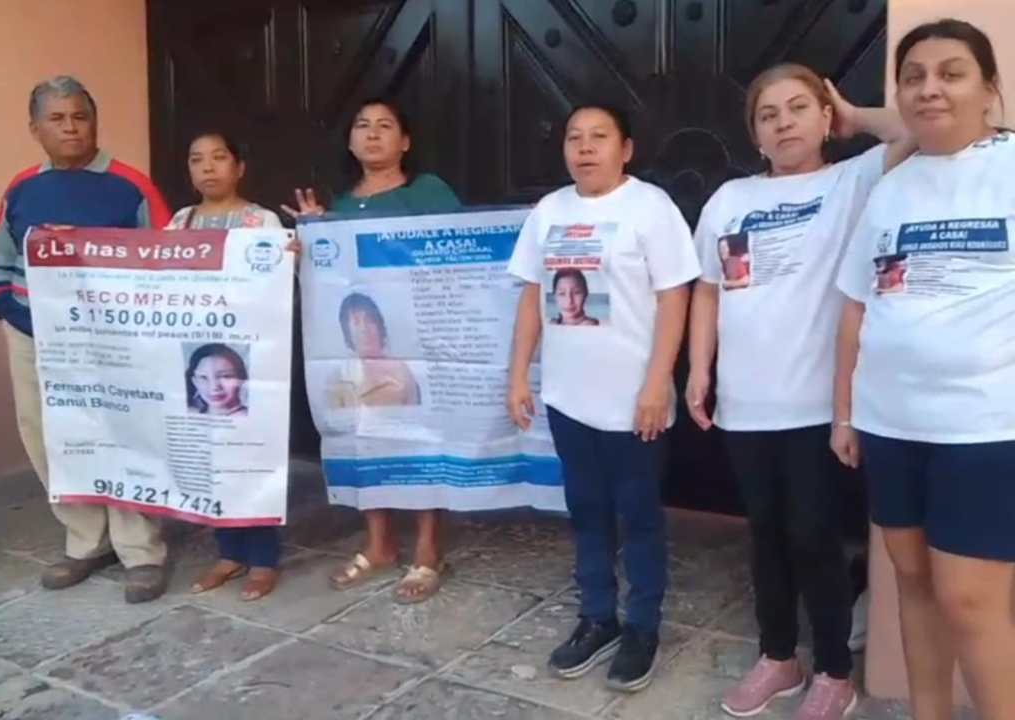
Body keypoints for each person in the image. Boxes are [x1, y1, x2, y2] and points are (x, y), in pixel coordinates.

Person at [687, 62, 914, 720]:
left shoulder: (853, 180)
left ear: (823, 120)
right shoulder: (729, 199)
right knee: (766, 534)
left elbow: (921, 128)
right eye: (768, 115)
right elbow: (708, 288)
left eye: (798, 108)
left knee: (814, 535)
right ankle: (778, 657)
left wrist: (855, 113)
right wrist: (699, 369)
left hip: (819, 403)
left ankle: (836, 671)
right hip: (746, 403)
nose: (784, 122)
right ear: (754, 136)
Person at [834, 19, 1015, 720]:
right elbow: (855, 307)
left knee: (971, 601)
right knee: (911, 583)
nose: (930, 89)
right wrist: (846, 412)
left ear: (990, 90)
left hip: (986, 428)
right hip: (891, 423)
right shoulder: (892, 188)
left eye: (951, 72)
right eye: (913, 77)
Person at [507, 103, 699, 692]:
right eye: (574, 138)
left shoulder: (650, 207)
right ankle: (598, 618)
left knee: (639, 518)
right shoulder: (549, 211)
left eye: (599, 138)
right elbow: (532, 296)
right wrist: (519, 375)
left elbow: (675, 296)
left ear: (626, 148)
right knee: (587, 514)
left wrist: (655, 382)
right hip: (569, 400)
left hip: (633, 402)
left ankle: (642, 625)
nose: (585, 149)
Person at [0, 76, 171, 603]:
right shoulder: (21, 188)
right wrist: (16, 312)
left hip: (112, 341)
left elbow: (166, 262)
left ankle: (141, 549)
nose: (70, 128)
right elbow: (0, 263)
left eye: (80, 117)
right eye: (57, 119)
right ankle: (85, 540)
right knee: (48, 435)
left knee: (123, 434)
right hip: (32, 336)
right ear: (35, 129)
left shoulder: (132, 187)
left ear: (95, 122)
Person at [284, 98, 461, 603]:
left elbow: (461, 253)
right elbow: (329, 288)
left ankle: (429, 550)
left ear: (405, 141)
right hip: (358, 350)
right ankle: (380, 544)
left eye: (386, 125)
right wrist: (312, 244)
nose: (373, 134)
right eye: (362, 125)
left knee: (424, 439)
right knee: (366, 438)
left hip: (418, 343)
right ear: (350, 141)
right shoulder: (337, 210)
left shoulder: (428, 192)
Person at [166, 130, 284, 601]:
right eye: (197, 159)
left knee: (252, 456)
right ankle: (228, 553)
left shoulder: (262, 222)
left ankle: (263, 558)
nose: (208, 167)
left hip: (248, 360)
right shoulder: (178, 223)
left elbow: (278, 284)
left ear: (239, 167)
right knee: (209, 457)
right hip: (196, 360)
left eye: (219, 157)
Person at [329, 292, 420, 407]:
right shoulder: (338, 379)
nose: (364, 328)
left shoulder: (402, 372)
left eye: (370, 320)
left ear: (379, 325)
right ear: (347, 331)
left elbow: (415, 418)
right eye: (356, 321)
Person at [186, 343, 249, 417]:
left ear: (241, 379)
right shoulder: (191, 414)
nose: (214, 387)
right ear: (195, 382)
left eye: (225, 376)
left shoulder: (247, 417)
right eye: (203, 377)